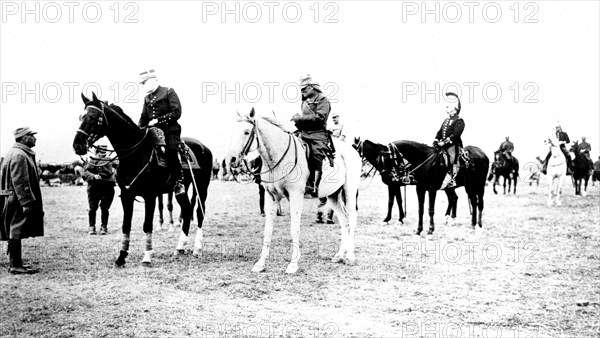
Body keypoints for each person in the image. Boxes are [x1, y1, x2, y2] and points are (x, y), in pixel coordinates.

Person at [0, 127, 44, 274]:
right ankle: (15, 265)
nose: (34, 138)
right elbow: (20, 181)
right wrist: (26, 202)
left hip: (13, 197)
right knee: (16, 229)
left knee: (14, 228)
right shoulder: (20, 155)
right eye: (32, 135)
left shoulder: (17, 152)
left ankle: (16, 263)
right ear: (24, 138)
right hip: (18, 199)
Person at [138, 69, 185, 195]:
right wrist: (138, 129)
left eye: (144, 82)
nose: (142, 85)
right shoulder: (147, 98)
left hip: (169, 130)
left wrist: (158, 120)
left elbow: (177, 112)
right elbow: (143, 118)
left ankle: (179, 182)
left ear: (153, 81)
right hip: (152, 132)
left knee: (171, 149)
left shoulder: (168, 91)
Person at [291, 74, 332, 197]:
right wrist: (297, 122)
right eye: (301, 89)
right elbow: (304, 120)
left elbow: (320, 118)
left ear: (312, 87)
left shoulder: (322, 99)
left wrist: (300, 119)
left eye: (304, 89)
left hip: (317, 134)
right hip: (304, 133)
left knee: (316, 154)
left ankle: (313, 184)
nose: (302, 92)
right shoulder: (304, 101)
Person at [433, 92, 465, 189]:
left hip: (453, 145)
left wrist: (445, 142)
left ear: (455, 109)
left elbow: (455, 135)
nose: (447, 108)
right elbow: (439, 132)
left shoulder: (460, 120)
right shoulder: (446, 120)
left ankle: (452, 179)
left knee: (452, 159)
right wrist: (436, 140)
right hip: (442, 144)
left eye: (449, 106)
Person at [83, 145, 116, 235]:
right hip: (94, 187)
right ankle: (92, 226)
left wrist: (115, 173)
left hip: (108, 186)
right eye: (101, 152)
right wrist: (94, 176)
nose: (103, 154)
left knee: (105, 208)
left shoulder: (111, 160)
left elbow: (120, 167)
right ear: (97, 151)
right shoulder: (92, 160)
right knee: (93, 208)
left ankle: (104, 226)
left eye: (104, 151)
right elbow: (85, 172)